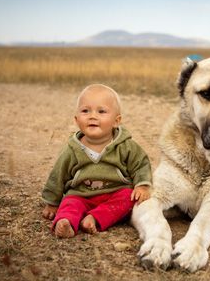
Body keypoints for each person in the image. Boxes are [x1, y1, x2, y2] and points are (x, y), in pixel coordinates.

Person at [41, 84, 151, 238]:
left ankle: (93, 219)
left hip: (114, 193)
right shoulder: (72, 149)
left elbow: (141, 164)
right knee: (69, 203)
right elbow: (58, 174)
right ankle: (66, 223)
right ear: (76, 119)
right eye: (85, 111)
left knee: (128, 196)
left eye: (101, 111)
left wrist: (143, 185)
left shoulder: (125, 146)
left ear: (116, 120)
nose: (93, 116)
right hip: (81, 195)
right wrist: (52, 202)